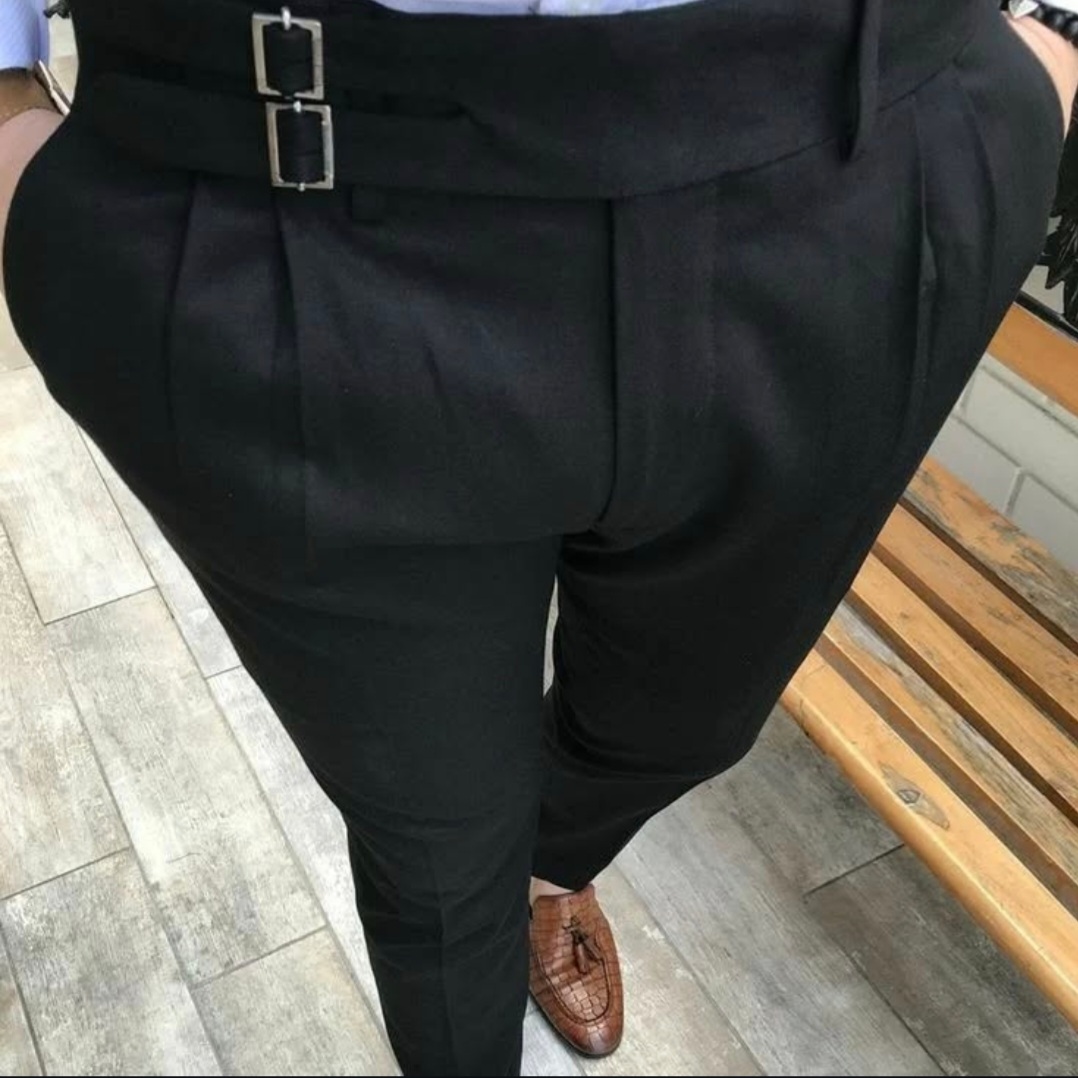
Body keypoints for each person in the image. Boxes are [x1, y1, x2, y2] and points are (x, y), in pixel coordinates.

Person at [1, 1, 1075, 1074]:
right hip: (285, 162)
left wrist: (1043, 46)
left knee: (689, 722)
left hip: (843, 154)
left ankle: (550, 868)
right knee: (433, 848)